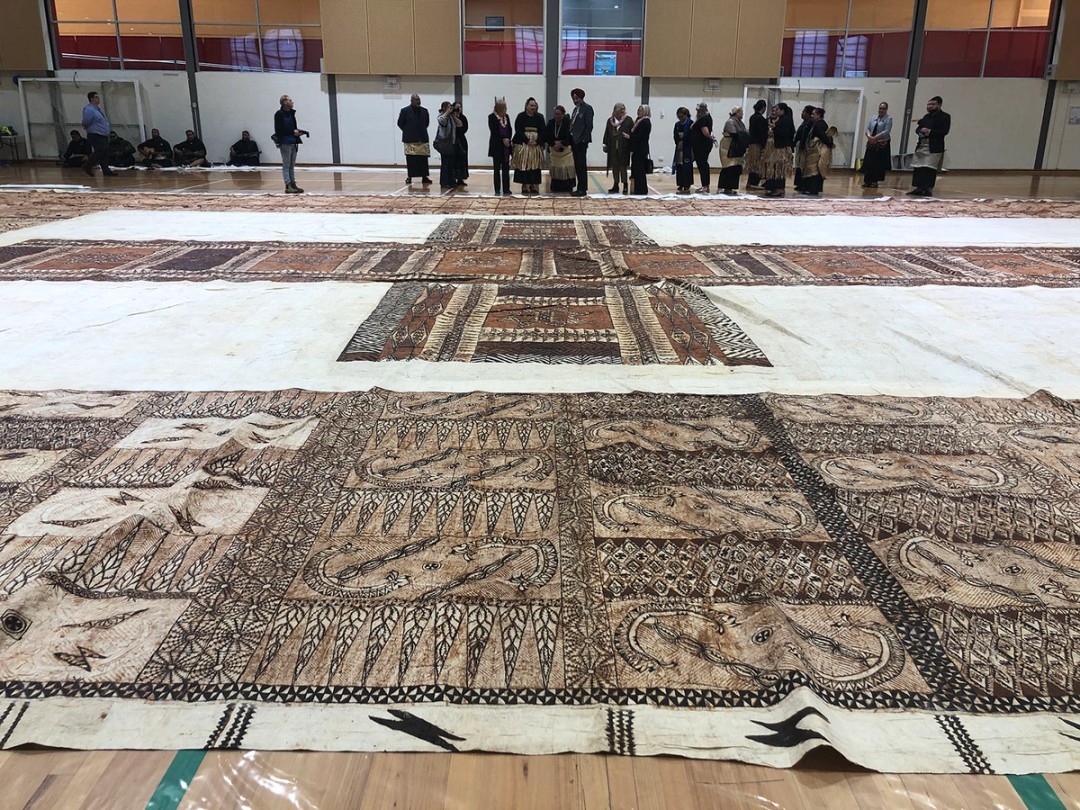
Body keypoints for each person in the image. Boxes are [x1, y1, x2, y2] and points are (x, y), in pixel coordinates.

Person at [909, 96, 951, 197]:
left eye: (933, 104)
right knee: (919, 167)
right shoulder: (926, 117)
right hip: (922, 145)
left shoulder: (945, 117)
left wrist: (930, 131)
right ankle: (919, 188)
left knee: (929, 168)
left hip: (934, 146)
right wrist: (920, 131)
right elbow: (918, 128)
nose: (930, 106)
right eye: (928, 104)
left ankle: (928, 188)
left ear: (939, 105)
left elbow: (944, 131)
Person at [274, 94, 309, 194]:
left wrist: (298, 132)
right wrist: (292, 132)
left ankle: (293, 183)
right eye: (290, 100)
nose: (292, 102)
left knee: (291, 165)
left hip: (293, 141)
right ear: (284, 102)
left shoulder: (291, 114)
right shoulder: (279, 114)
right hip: (285, 142)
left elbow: (293, 127)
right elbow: (279, 129)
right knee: (286, 164)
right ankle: (288, 185)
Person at [512, 97, 546, 195]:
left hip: (535, 146)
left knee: (535, 165)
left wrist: (537, 141)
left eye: (534, 106)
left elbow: (543, 131)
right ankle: (525, 185)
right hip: (523, 145)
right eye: (531, 105)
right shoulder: (521, 116)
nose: (533, 107)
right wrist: (527, 141)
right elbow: (518, 130)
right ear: (526, 106)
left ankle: (534, 185)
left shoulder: (540, 117)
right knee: (524, 165)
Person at [798, 108, 835, 196]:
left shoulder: (820, 124)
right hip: (814, 149)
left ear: (818, 115)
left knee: (814, 170)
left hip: (817, 150)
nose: (811, 116)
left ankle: (813, 189)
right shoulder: (817, 123)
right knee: (811, 169)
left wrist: (830, 144)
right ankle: (810, 188)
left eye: (813, 114)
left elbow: (823, 137)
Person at [397, 94, 432, 187]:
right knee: (411, 159)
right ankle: (410, 176)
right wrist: (409, 131)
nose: (418, 101)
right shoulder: (405, 111)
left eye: (419, 99)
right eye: (416, 100)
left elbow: (426, 123)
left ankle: (424, 176)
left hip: (422, 138)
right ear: (411, 101)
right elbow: (400, 123)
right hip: (410, 139)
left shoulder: (424, 111)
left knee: (423, 159)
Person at [762, 103, 795, 198]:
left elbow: (784, 133)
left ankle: (779, 188)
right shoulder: (782, 119)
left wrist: (774, 128)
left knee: (778, 168)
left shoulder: (786, 120)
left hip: (781, 148)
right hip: (776, 147)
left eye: (777, 110)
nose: (775, 111)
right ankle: (774, 187)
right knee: (774, 167)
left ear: (782, 110)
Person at [80, 91, 116, 177]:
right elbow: (86, 122)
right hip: (95, 134)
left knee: (105, 152)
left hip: (102, 134)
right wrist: (90, 129)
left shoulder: (97, 109)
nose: (98, 98)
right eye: (96, 97)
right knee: (100, 151)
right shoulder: (89, 109)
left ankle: (106, 170)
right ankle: (88, 165)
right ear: (91, 98)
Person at [860, 101, 892, 189]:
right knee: (869, 162)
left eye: (883, 109)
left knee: (878, 163)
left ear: (886, 110)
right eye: (880, 108)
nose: (881, 110)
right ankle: (867, 181)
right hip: (871, 144)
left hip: (881, 144)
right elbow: (868, 129)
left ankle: (875, 181)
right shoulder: (873, 118)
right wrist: (869, 137)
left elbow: (886, 131)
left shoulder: (888, 119)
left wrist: (875, 138)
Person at [568, 88, 594, 197]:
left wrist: (584, 139)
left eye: (577, 98)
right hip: (574, 141)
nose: (575, 100)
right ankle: (579, 188)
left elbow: (589, 125)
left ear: (581, 97)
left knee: (581, 165)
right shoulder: (575, 110)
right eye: (573, 98)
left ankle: (582, 189)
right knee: (577, 166)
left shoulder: (587, 108)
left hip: (582, 141)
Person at [545, 105, 575, 193]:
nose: (556, 116)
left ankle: (568, 186)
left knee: (566, 169)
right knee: (556, 169)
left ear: (563, 114)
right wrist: (553, 144)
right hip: (554, 149)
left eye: (558, 114)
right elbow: (546, 135)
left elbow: (570, 136)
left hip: (566, 150)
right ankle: (556, 186)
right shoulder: (551, 122)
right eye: (555, 114)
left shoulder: (568, 123)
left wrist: (561, 143)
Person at [603, 103, 633, 194]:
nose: (623, 111)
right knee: (615, 167)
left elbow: (633, 133)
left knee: (623, 167)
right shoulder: (610, 121)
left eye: (624, 109)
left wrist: (630, 138)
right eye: (621, 109)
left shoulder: (628, 120)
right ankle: (615, 185)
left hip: (624, 147)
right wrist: (605, 144)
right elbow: (607, 133)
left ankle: (625, 185)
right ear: (616, 110)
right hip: (613, 147)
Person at [718, 106, 748, 195]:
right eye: (741, 112)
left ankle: (730, 187)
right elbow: (735, 134)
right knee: (728, 167)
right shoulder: (730, 122)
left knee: (736, 167)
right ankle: (723, 187)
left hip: (736, 145)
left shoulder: (739, 122)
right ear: (737, 112)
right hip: (728, 146)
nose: (742, 114)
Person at [488, 98, 513, 196]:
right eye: (504, 107)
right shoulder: (491, 117)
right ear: (500, 108)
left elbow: (510, 129)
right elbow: (494, 131)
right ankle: (497, 189)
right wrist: (503, 140)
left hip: (506, 146)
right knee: (497, 169)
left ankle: (506, 189)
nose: (506, 109)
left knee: (506, 169)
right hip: (497, 146)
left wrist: (508, 139)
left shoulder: (507, 117)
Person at [435, 101, 460, 191]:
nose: (451, 109)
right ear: (444, 108)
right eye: (449, 107)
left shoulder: (451, 117)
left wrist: (454, 115)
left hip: (451, 143)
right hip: (444, 144)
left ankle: (451, 181)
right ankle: (444, 182)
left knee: (451, 164)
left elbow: (460, 124)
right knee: (445, 164)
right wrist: (447, 113)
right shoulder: (441, 116)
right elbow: (442, 121)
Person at [689, 102, 714, 193]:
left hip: (702, 145)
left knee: (702, 165)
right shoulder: (706, 118)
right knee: (702, 164)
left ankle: (705, 186)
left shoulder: (703, 119)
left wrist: (710, 136)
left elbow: (706, 132)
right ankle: (705, 185)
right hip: (700, 145)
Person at [628, 104, 652, 196]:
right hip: (636, 148)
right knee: (636, 169)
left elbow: (641, 136)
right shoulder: (638, 121)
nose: (638, 111)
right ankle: (637, 188)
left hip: (641, 149)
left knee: (640, 170)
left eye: (640, 110)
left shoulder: (645, 122)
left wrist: (630, 137)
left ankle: (641, 189)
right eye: (638, 110)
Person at [745, 99, 768, 189]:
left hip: (752, 143)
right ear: (763, 108)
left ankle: (750, 182)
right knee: (757, 163)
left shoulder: (752, 117)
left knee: (752, 163)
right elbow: (762, 134)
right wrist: (764, 146)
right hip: (758, 144)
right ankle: (753, 183)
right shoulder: (760, 119)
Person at [793, 105, 815, 192]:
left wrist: (802, 145)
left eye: (804, 112)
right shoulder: (805, 122)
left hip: (804, 147)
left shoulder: (809, 123)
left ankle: (803, 184)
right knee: (799, 165)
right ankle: (799, 183)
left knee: (803, 165)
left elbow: (805, 136)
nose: (802, 113)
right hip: (800, 146)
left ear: (808, 114)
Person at [672, 107, 694, 193]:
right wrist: (678, 142)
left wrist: (683, 142)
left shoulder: (691, 123)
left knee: (687, 165)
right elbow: (675, 135)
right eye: (678, 116)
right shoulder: (677, 125)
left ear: (686, 115)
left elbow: (691, 135)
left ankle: (687, 184)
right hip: (679, 147)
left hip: (687, 147)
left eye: (681, 116)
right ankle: (680, 183)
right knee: (679, 165)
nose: (680, 118)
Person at [452, 102, 469, 188]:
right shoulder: (451, 117)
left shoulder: (463, 118)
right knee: (454, 159)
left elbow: (464, 128)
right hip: (453, 140)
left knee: (462, 159)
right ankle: (453, 178)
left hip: (461, 140)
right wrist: (453, 115)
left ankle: (461, 178)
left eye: (460, 107)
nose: (459, 109)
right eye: (457, 107)